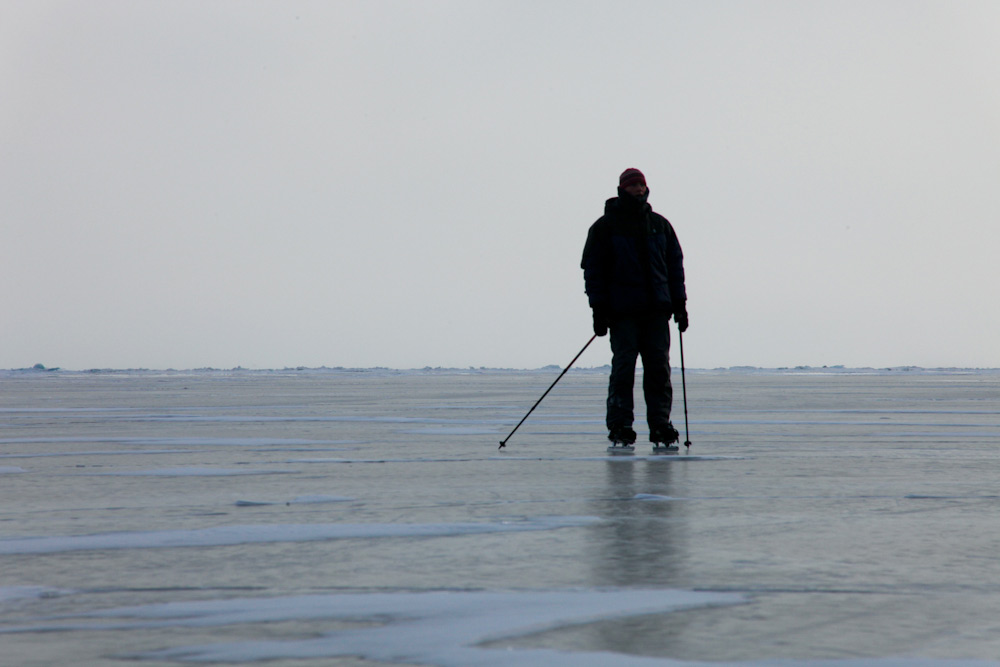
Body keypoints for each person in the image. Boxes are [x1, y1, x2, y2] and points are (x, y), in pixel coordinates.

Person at [581, 168, 688, 446]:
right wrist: (598, 309)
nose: (639, 189)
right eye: (633, 185)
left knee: (659, 370)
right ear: (622, 189)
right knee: (623, 369)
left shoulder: (660, 225)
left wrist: (680, 305)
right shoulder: (605, 227)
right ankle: (620, 425)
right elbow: (593, 271)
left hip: (657, 311)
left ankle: (661, 425)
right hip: (622, 313)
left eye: (642, 184)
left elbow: (675, 267)